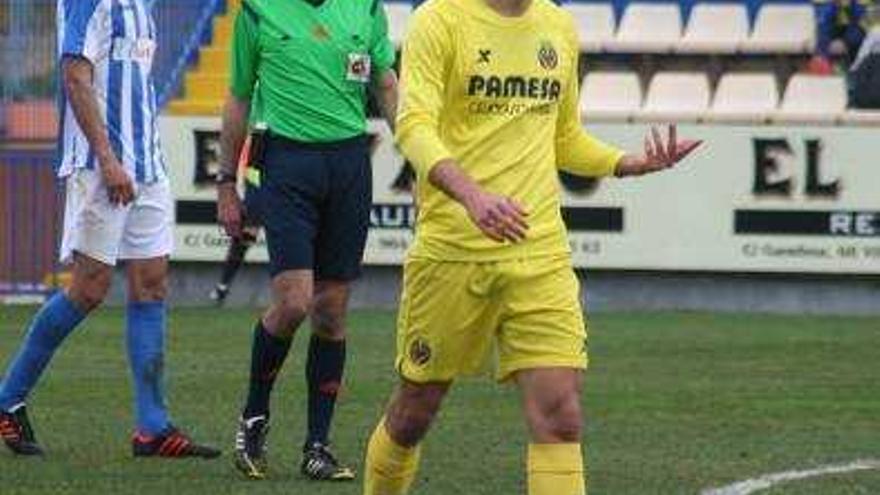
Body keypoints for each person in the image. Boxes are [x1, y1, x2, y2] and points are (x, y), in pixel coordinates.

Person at [361, 0, 702, 493]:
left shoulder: (557, 25)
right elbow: (413, 128)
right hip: (454, 251)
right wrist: (472, 196)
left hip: (540, 250)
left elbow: (565, 139)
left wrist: (627, 163)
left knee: (561, 416)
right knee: (416, 410)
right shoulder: (439, 19)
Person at [0, 0, 220, 459]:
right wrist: (106, 157)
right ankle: (6, 400)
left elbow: (135, 76)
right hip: (102, 165)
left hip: (147, 162)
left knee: (152, 284)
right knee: (89, 289)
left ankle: (152, 429)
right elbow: (76, 76)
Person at [216, 0, 399, 481]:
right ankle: (254, 418)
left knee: (332, 309)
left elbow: (385, 83)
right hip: (286, 164)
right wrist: (224, 183)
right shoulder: (257, 11)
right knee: (295, 302)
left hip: (349, 165)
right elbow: (238, 97)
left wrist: (422, 159)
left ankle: (317, 446)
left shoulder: (367, 8)